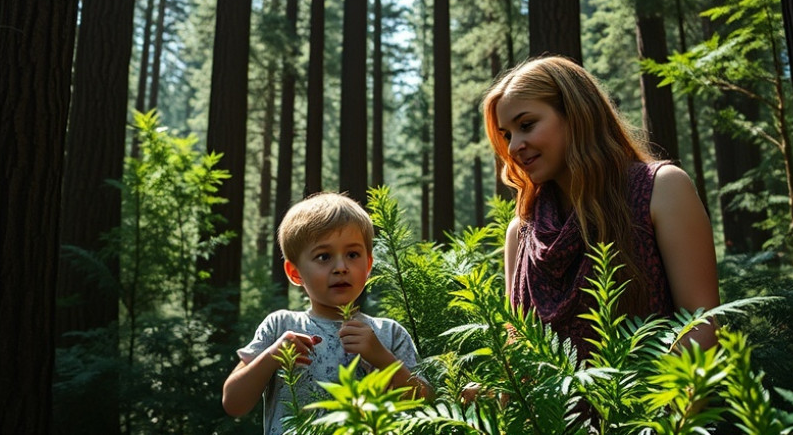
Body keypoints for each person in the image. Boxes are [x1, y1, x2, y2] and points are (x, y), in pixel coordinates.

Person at [482, 55, 720, 359]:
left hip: (657, 388)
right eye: (507, 135)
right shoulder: (521, 231)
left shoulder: (661, 190)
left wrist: (646, 390)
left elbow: (702, 327)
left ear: (576, 114)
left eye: (526, 125)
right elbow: (517, 346)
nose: (514, 146)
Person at [222, 192, 428, 433]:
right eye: (324, 256)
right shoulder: (280, 326)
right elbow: (233, 403)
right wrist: (272, 356)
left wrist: (382, 358)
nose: (341, 267)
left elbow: (426, 405)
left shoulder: (389, 333)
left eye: (353, 255)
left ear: (368, 265)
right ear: (295, 273)